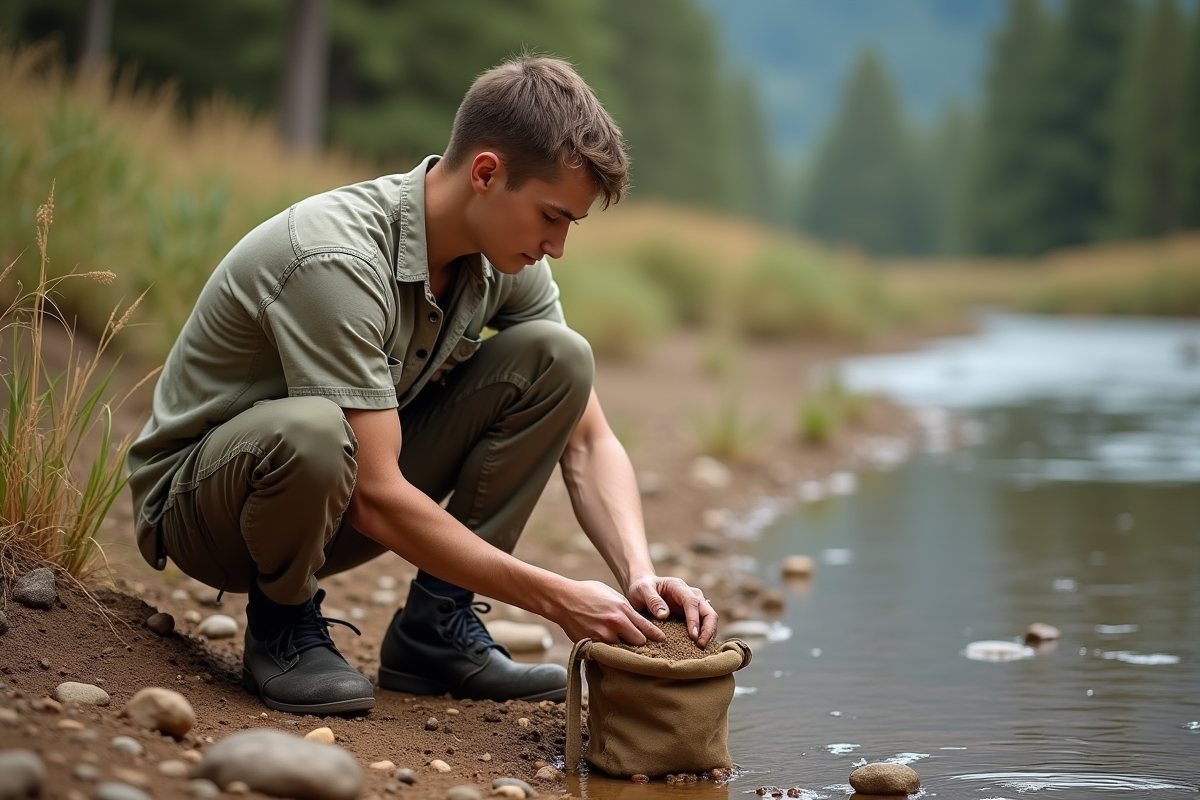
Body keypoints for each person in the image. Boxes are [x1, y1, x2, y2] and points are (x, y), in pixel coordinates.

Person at [126, 54, 718, 716]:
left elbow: (588, 441)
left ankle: (437, 629)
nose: (557, 246)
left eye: (569, 225)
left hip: (336, 492)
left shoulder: (501, 255)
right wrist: (556, 597)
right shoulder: (337, 259)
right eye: (553, 217)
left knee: (561, 359)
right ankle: (282, 623)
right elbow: (377, 497)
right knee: (316, 429)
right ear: (487, 173)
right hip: (209, 512)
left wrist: (640, 577)